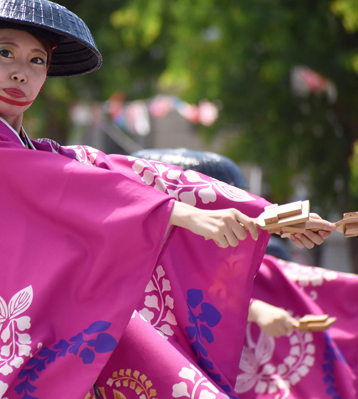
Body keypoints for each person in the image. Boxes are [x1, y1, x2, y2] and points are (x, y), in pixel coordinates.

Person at [0, 0, 334, 399]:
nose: (21, 70)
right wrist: (177, 215)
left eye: (37, 60)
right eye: (5, 52)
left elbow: (122, 171)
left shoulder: (31, 149)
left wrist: (264, 212)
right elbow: (71, 183)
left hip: (62, 318)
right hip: (4, 337)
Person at [132, 148, 357, 398]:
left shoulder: (259, 264)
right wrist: (254, 309)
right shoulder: (131, 262)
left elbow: (332, 289)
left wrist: (278, 221)